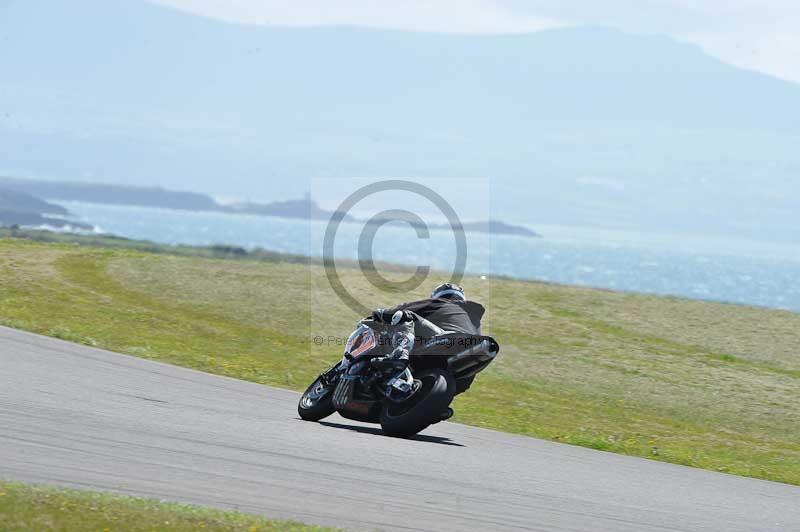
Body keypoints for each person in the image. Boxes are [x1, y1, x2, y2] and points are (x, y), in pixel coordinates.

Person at [368, 282, 485, 372]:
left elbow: (402, 309)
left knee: (405, 316)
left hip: (449, 340)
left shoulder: (440, 303)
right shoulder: (473, 318)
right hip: (470, 360)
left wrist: (379, 314)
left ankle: (400, 354)